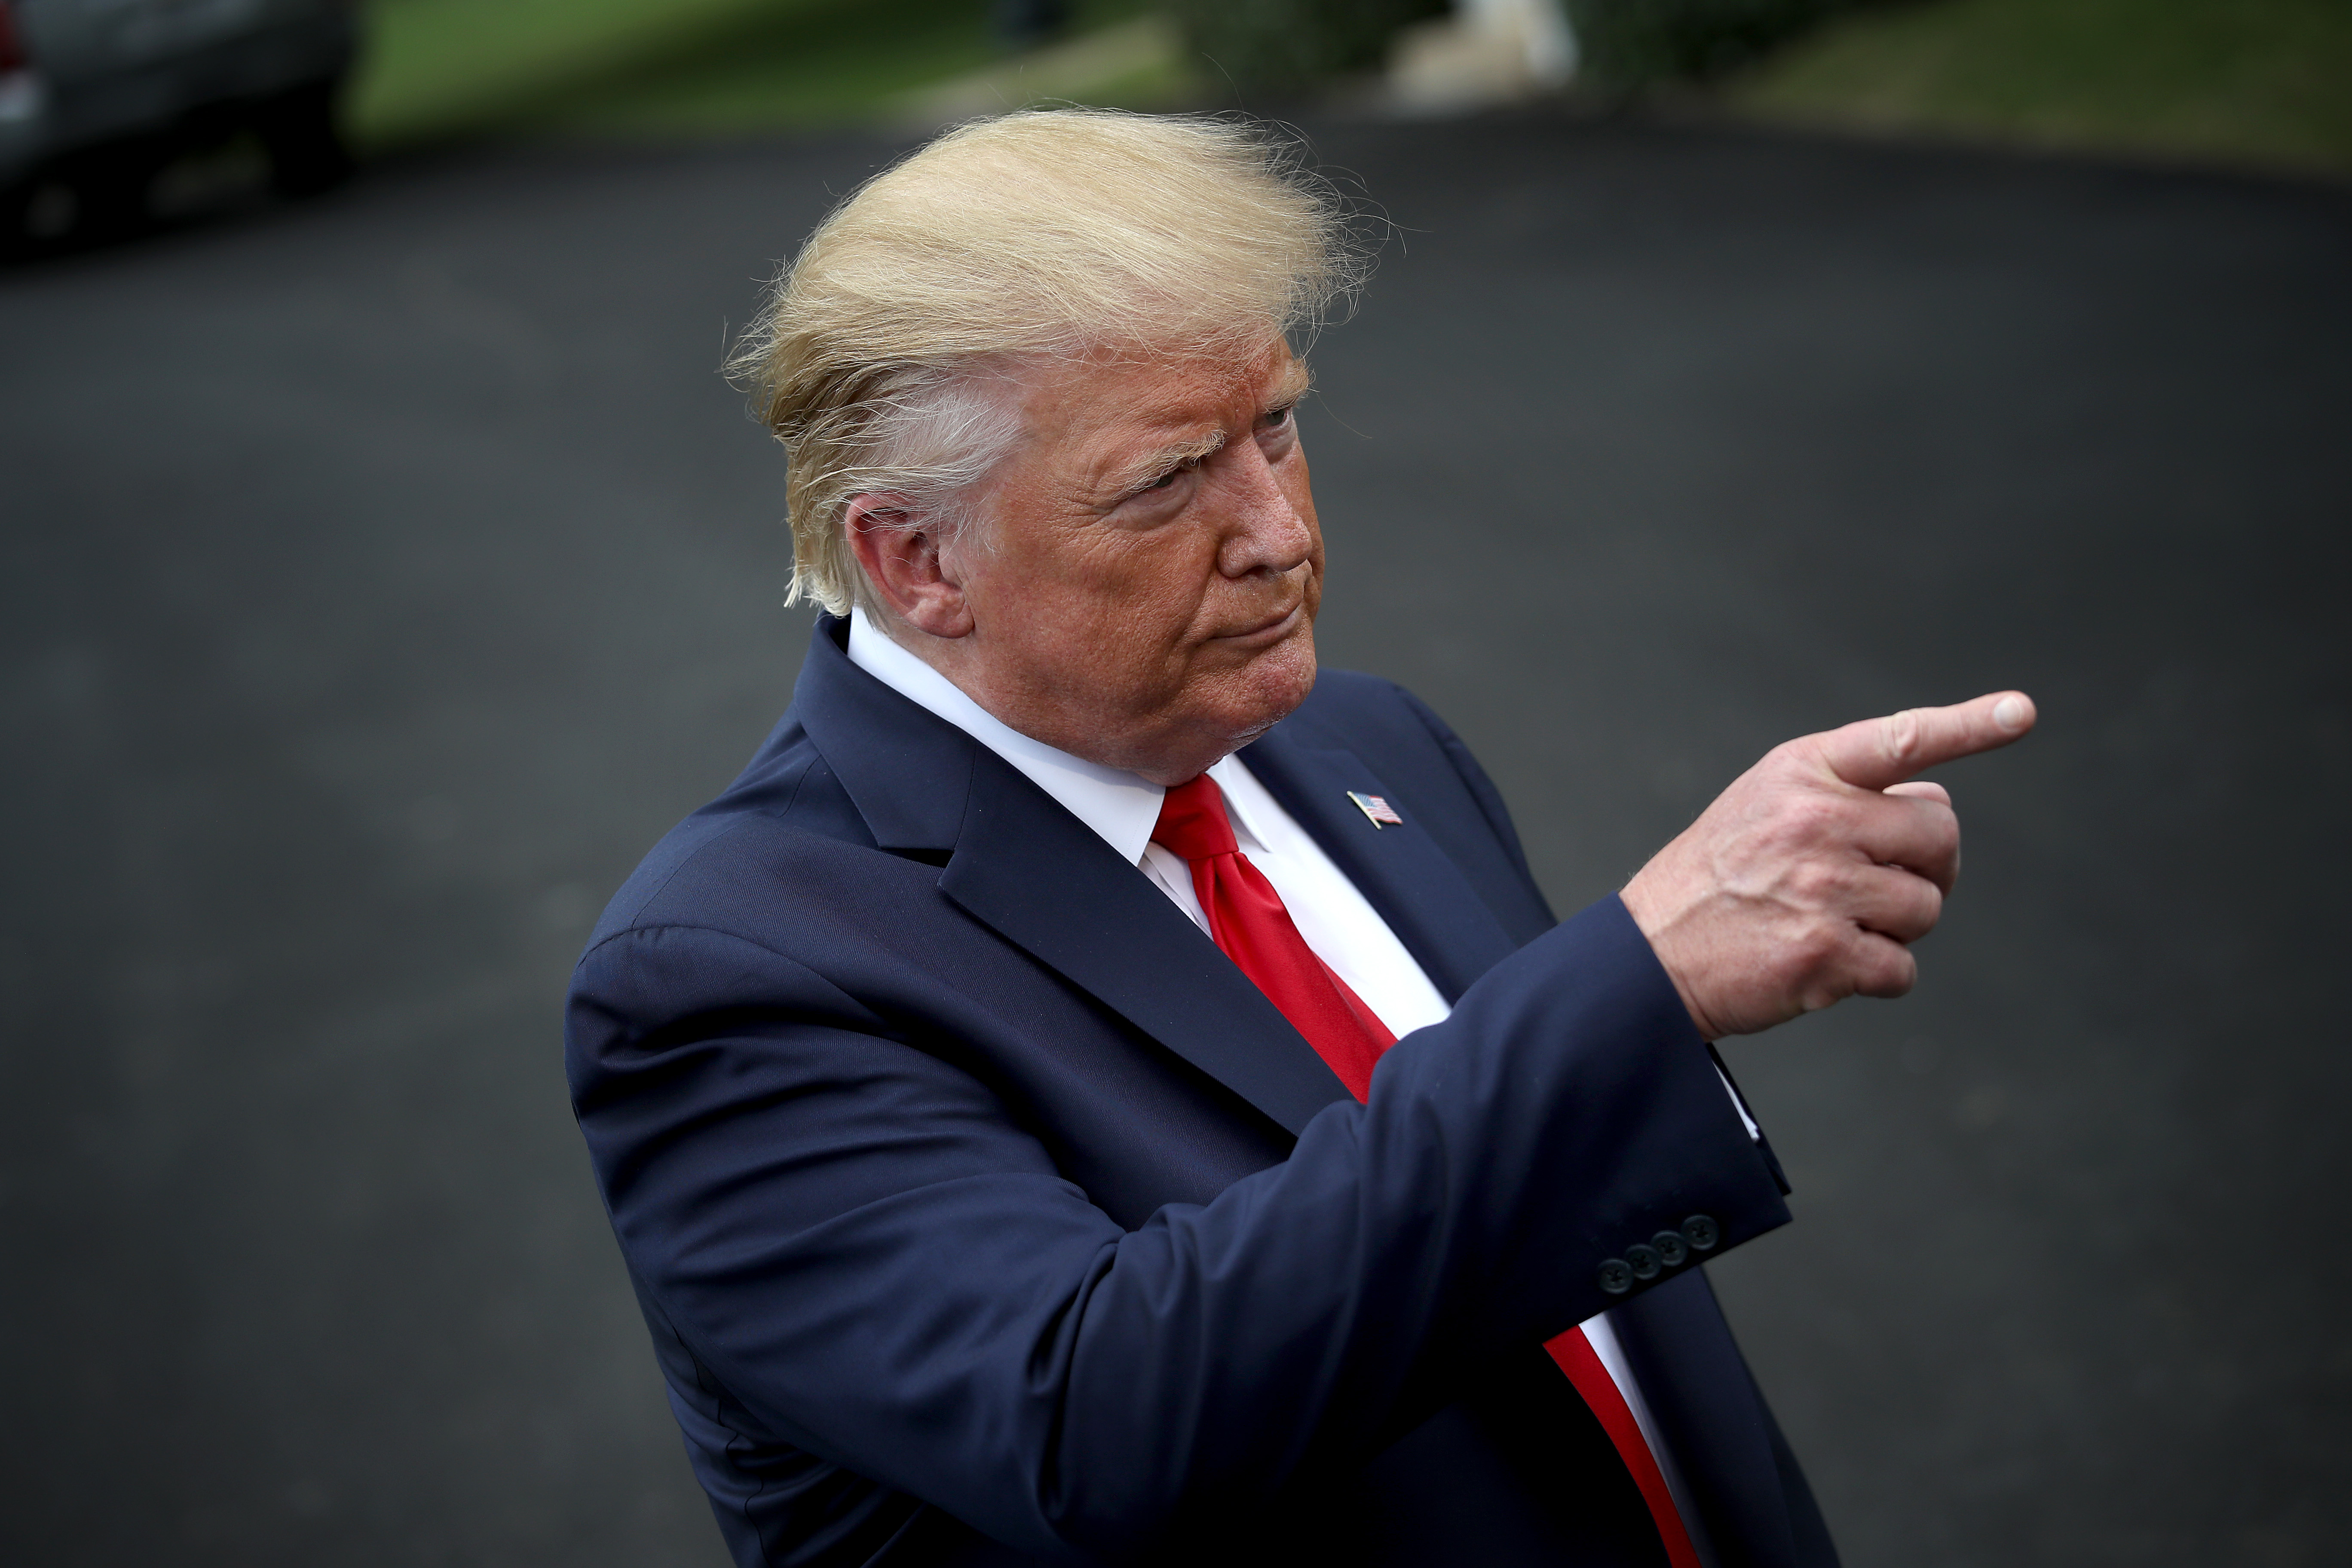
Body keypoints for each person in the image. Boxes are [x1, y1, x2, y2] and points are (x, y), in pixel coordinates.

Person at [565, 110, 2034, 1568]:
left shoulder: (1367, 743)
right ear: (917, 559)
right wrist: (1632, 994)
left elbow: (1596, 1326)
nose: (1276, 531)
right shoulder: (730, 974)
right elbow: (1097, 1424)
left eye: (1275, 425)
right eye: (1164, 482)